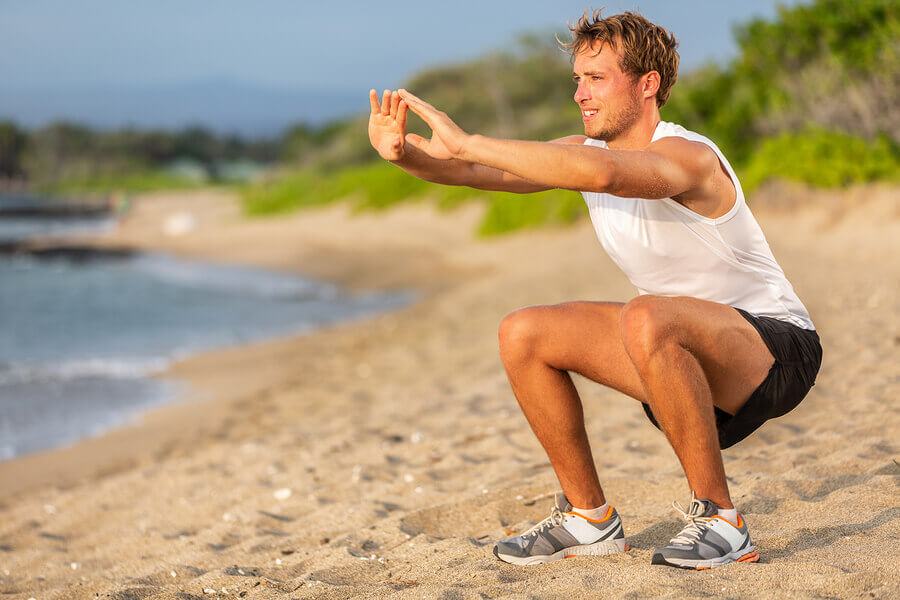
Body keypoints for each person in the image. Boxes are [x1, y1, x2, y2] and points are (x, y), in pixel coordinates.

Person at [366, 9, 822, 570]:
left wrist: (469, 141)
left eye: (597, 78)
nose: (581, 94)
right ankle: (589, 518)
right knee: (525, 332)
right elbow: (473, 173)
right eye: (577, 79)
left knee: (647, 315)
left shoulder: (689, 155)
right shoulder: (585, 150)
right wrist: (403, 153)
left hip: (776, 354)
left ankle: (722, 522)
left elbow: (607, 176)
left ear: (647, 84)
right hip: (674, 363)